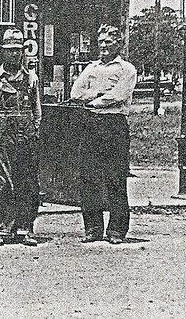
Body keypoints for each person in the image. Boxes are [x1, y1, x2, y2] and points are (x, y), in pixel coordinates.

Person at [69, 24, 137, 245]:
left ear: (119, 43)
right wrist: (97, 93)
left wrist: (96, 100)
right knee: (89, 177)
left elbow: (118, 95)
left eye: (109, 41)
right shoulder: (91, 68)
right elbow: (75, 93)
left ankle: (117, 230)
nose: (104, 46)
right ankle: (93, 228)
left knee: (116, 177)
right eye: (101, 42)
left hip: (114, 125)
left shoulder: (127, 69)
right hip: (91, 125)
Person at [0, 27, 42, 247]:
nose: (14, 54)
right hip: (2, 137)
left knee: (26, 183)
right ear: (2, 52)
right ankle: (1, 228)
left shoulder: (31, 79)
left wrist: (32, 131)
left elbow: (37, 111)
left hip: (25, 137)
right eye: (9, 50)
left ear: (23, 52)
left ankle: (24, 228)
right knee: (4, 183)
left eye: (17, 50)